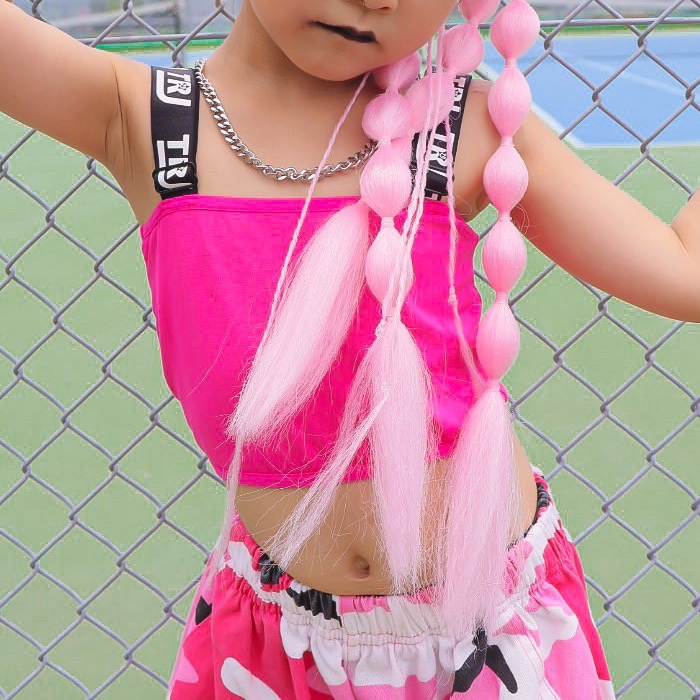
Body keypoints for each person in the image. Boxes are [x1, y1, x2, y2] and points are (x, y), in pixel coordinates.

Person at [1, 0, 698, 698]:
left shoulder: (465, 127)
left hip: (488, 626)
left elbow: (684, 272)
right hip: (278, 646)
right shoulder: (151, 121)